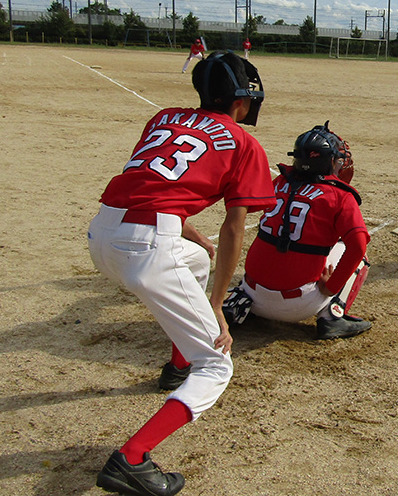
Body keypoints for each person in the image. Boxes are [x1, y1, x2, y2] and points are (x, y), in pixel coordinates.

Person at [88, 50, 276, 496]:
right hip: (147, 249)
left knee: (195, 259)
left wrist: (191, 235)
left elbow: (151, 186)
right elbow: (234, 228)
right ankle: (132, 460)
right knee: (215, 365)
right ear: (243, 101)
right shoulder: (246, 144)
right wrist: (216, 305)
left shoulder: (164, 119)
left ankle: (176, 365)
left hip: (102, 234)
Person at [222, 121, 372, 340]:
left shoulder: (279, 182)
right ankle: (333, 316)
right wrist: (331, 286)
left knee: (275, 241)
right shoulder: (340, 196)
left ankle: (237, 302)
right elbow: (357, 246)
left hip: (254, 296)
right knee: (359, 254)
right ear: (329, 161)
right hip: (300, 305)